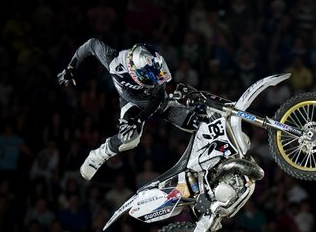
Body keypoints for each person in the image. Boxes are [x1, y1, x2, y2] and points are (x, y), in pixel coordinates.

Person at [57, 38, 207, 180]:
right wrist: (71, 66)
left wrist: (140, 118)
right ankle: (100, 154)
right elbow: (91, 44)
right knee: (129, 139)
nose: (152, 80)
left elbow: (157, 98)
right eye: (148, 77)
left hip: (158, 102)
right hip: (131, 102)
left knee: (199, 124)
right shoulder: (112, 59)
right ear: (133, 69)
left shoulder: (156, 64)